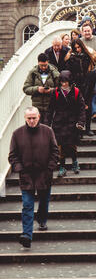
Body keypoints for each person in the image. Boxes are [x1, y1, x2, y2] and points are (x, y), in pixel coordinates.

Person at [8, 106, 59, 248]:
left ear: (39, 117)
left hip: (44, 173)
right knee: (27, 205)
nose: (31, 121)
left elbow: (55, 151)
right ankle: (27, 235)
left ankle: (42, 219)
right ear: (25, 118)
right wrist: (19, 169)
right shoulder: (17, 134)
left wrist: (50, 168)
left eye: (34, 118)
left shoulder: (48, 131)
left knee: (44, 201)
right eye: (29, 118)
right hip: (26, 175)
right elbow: (13, 155)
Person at [45, 70, 86, 177]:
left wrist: (81, 122)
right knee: (60, 146)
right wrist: (46, 124)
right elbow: (50, 109)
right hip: (59, 123)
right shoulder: (56, 92)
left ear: (70, 81)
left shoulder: (76, 91)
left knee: (72, 145)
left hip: (73, 122)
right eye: (62, 81)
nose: (64, 84)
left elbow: (82, 108)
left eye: (66, 81)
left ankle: (75, 162)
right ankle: (62, 167)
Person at [65, 38, 96, 135]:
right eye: (75, 48)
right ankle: (79, 129)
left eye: (79, 47)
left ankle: (88, 128)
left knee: (88, 106)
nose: (78, 50)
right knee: (77, 107)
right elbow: (69, 73)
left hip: (88, 83)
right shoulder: (71, 59)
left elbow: (92, 70)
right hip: (76, 85)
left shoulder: (88, 57)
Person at [23, 53, 60, 124]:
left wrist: (51, 90)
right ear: (38, 63)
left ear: (48, 62)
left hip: (50, 107)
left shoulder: (54, 72)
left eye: (45, 65)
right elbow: (26, 88)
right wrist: (37, 89)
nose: (43, 67)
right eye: (41, 65)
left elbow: (60, 89)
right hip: (37, 108)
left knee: (48, 129)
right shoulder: (33, 73)